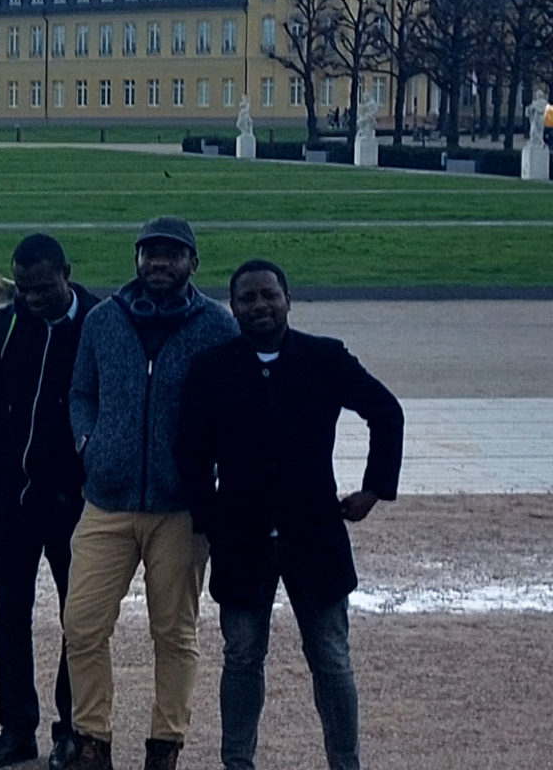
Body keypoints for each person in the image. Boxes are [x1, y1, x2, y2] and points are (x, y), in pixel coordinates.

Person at [178, 260, 403, 770]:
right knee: (240, 658)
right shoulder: (211, 368)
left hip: (314, 532)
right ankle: (238, 763)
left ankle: (345, 764)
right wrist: (208, 515)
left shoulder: (325, 358)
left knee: (331, 659)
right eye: (247, 299)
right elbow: (189, 450)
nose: (259, 305)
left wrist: (374, 490)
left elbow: (386, 413)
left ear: (287, 298)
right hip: (240, 536)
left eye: (267, 295)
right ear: (232, 307)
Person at [60, 216, 237, 770]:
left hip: (179, 507)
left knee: (176, 632)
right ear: (136, 258)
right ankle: (93, 737)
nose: (160, 263)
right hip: (107, 500)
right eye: (151, 253)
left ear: (192, 262)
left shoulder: (217, 326)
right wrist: (90, 443)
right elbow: (81, 391)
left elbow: (230, 409)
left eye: (173, 254)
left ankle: (166, 743)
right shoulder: (103, 320)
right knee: (82, 625)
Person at [0, 235, 99, 770]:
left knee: (76, 619)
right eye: (24, 288)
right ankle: (17, 728)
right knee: (10, 614)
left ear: (67, 271)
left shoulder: (98, 325)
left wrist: (88, 477)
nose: (32, 298)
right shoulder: (3, 325)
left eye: (43, 288)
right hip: (10, 497)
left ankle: (70, 729)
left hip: (73, 501)